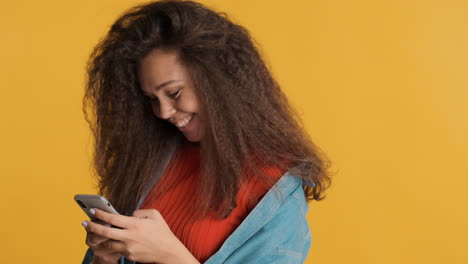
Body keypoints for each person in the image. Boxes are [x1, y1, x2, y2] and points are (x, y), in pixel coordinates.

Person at [80, 0, 331, 263]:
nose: (163, 112)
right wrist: (104, 258)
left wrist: (171, 255)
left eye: (174, 93)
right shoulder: (154, 162)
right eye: (152, 98)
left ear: (217, 81)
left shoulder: (275, 188)